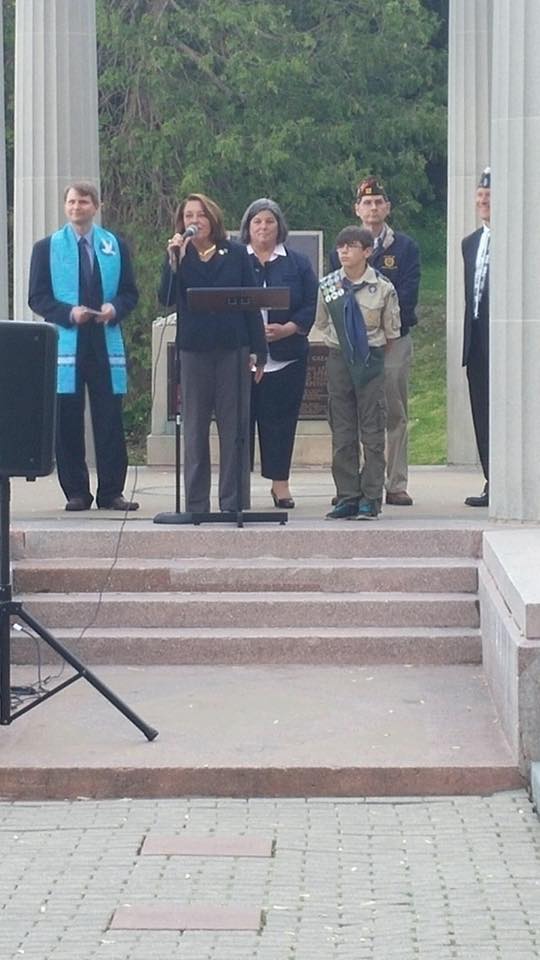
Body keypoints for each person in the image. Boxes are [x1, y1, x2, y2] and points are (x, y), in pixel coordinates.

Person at [28, 181, 139, 511]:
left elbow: (130, 293)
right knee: (68, 420)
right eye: (73, 202)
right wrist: (67, 312)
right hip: (67, 342)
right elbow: (37, 297)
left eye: (84, 202)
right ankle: (76, 491)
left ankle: (111, 492)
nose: (78, 207)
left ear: (96, 206)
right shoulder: (46, 248)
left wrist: (114, 308)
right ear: (66, 207)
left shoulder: (114, 245)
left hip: (104, 342)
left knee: (109, 420)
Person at [158, 192, 267, 514]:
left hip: (232, 350)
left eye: (201, 215)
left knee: (234, 429)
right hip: (194, 351)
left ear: (213, 219)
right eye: (189, 216)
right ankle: (196, 504)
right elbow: (165, 297)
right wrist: (173, 261)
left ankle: (233, 502)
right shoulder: (180, 255)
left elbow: (251, 303)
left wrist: (258, 350)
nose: (195, 221)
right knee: (194, 429)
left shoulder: (234, 253)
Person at [330, 176, 420, 505]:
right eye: (366, 202)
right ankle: (352, 488)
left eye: (378, 202)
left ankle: (394, 483)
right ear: (357, 208)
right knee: (351, 416)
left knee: (393, 413)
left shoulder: (406, 247)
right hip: (352, 347)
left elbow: (407, 295)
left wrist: (383, 330)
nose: (372, 207)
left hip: (392, 342)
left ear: (388, 207)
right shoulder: (340, 247)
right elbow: (334, 299)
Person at [317, 226, 401, 520]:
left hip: (370, 360)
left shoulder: (383, 287)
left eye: (350, 246)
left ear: (367, 252)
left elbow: (391, 334)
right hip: (339, 358)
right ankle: (347, 495)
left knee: (373, 430)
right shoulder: (328, 285)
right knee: (342, 431)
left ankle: (370, 496)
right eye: (340, 246)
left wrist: (368, 353)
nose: (343, 251)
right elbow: (322, 323)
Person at [239, 198, 318, 508]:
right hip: (243, 359)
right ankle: (237, 486)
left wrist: (289, 328)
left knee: (280, 424)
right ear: (248, 227)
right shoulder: (236, 261)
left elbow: (311, 302)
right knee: (240, 424)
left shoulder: (297, 263)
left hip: (286, 358)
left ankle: (280, 485)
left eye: (269, 222)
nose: (263, 227)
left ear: (279, 227)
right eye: (257, 222)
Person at [462, 167, 491, 507]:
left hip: (506, 341)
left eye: (489, 198)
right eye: (480, 198)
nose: (483, 202)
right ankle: (492, 479)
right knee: (482, 412)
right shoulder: (470, 243)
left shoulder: (518, 240)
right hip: (477, 341)